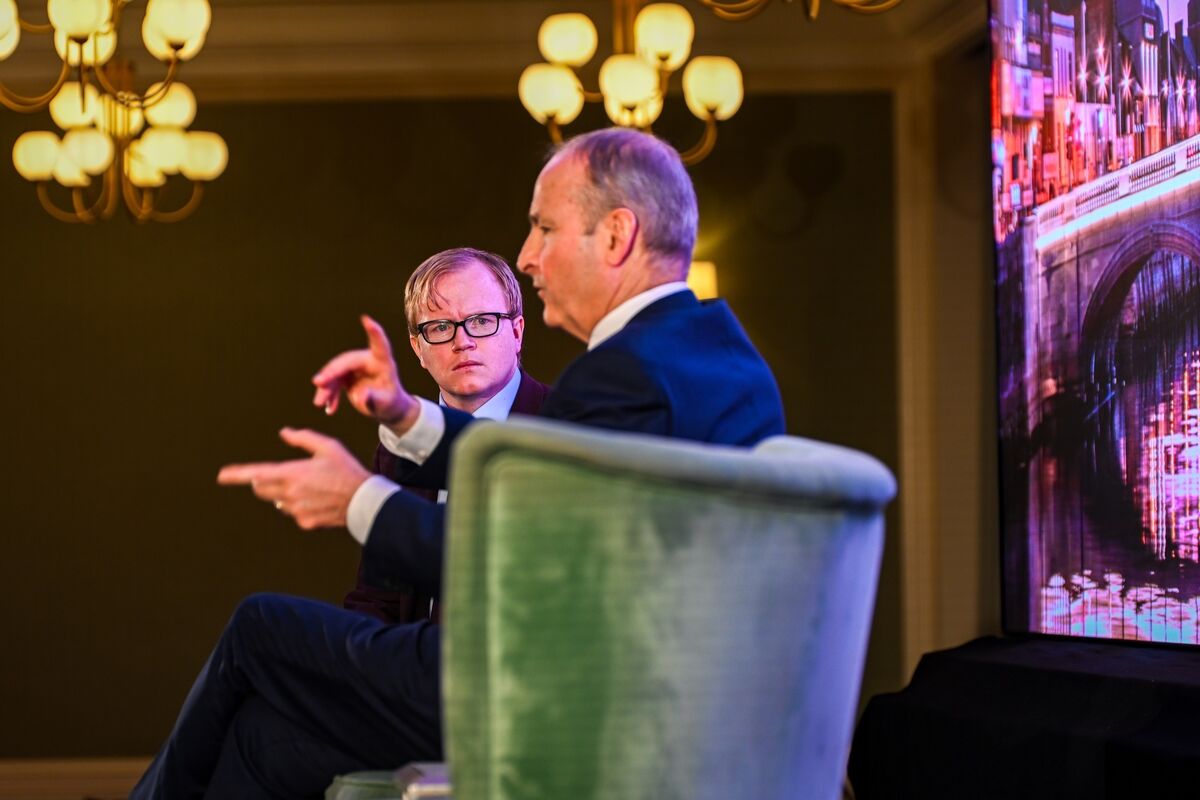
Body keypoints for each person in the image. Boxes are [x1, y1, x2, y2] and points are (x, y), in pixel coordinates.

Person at [132, 128, 785, 799]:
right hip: (627, 686)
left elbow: (508, 564)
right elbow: (527, 474)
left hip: (548, 700)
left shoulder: (622, 377)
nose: (529, 259)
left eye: (544, 229)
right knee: (260, 737)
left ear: (615, 237)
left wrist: (356, 498)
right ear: (419, 343)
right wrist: (407, 419)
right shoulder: (721, 356)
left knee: (259, 625)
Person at [342, 248, 550, 624]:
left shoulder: (564, 425)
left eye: (482, 320)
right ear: (417, 348)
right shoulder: (399, 448)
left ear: (517, 331)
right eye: (440, 327)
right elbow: (378, 599)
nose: (463, 341)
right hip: (412, 672)